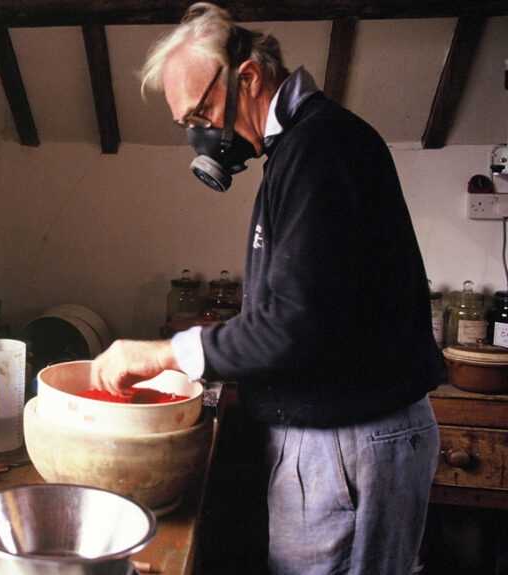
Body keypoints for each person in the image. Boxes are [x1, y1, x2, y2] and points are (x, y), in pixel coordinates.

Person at [89, 3, 442, 574]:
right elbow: (291, 311)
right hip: (337, 439)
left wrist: (159, 354)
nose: (200, 135)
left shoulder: (320, 148)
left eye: (200, 112)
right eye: (187, 125)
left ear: (248, 77)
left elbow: (291, 325)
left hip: (351, 442)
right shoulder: (298, 150)